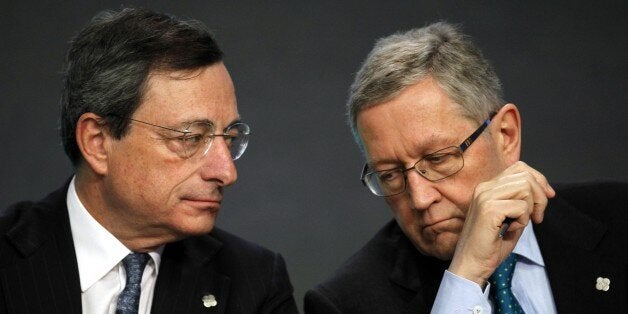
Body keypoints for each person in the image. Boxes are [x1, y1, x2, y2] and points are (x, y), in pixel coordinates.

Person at [304, 22, 627, 313]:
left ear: (505, 135)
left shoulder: (618, 219)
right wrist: (465, 278)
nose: (419, 198)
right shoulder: (346, 303)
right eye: (389, 175)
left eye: (438, 159)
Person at [0, 8, 298, 314]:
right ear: (98, 142)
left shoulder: (255, 284)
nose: (227, 172)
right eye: (191, 138)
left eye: (229, 138)